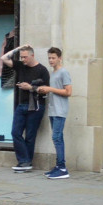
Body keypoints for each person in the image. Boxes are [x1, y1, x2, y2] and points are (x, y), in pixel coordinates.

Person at [0, 43, 49, 172]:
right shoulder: (21, 66)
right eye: (21, 57)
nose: (23, 59)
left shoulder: (42, 70)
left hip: (36, 106)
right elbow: (4, 58)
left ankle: (26, 162)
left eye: (25, 57)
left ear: (32, 56)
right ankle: (25, 161)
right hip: (21, 105)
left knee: (30, 136)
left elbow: (46, 90)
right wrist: (18, 48)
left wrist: (30, 88)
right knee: (15, 132)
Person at [36, 47, 73, 179]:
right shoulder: (54, 73)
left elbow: (68, 92)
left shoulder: (63, 72)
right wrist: (45, 90)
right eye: (49, 58)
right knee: (57, 138)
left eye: (53, 58)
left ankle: (62, 168)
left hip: (60, 110)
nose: (51, 60)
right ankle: (58, 166)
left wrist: (50, 88)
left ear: (59, 58)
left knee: (56, 138)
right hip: (53, 110)